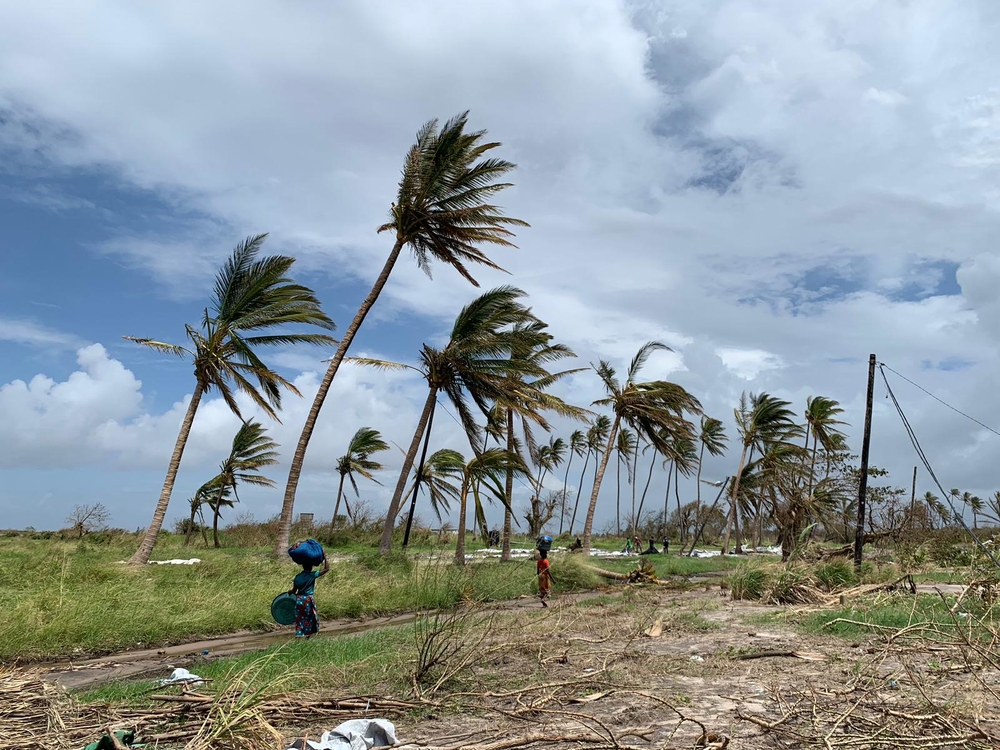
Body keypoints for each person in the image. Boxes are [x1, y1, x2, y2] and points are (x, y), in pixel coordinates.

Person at [289, 553, 329, 638]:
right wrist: (325, 557)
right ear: (311, 567)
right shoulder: (312, 575)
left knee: (300, 618)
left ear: (303, 567)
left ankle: (299, 635)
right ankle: (307, 637)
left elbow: (294, 590)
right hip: (308, 600)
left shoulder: (297, 577)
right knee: (309, 618)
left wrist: (290, 592)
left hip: (299, 599)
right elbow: (326, 569)